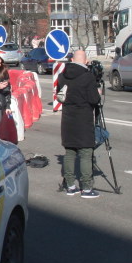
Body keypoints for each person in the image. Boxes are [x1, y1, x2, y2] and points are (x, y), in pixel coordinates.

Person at [55, 49, 103, 198]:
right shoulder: (88, 77)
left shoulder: (62, 75)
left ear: (72, 60)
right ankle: (87, 188)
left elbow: (60, 96)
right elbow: (94, 99)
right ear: (86, 61)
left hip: (68, 118)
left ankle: (70, 185)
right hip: (83, 119)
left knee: (69, 153)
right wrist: (99, 92)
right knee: (85, 153)